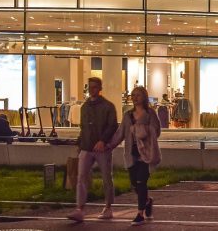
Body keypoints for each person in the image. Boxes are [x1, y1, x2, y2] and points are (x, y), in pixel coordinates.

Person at [105, 85, 161, 226]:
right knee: (134, 184)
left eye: (138, 95)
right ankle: (147, 201)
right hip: (131, 153)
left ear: (144, 97)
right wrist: (110, 145)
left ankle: (139, 214)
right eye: (133, 95)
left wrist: (142, 129)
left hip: (146, 154)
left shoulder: (150, 114)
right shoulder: (128, 115)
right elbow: (120, 133)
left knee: (142, 182)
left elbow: (157, 130)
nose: (135, 98)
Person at [67, 77, 118, 223]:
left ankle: (108, 207)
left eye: (95, 87)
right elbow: (84, 127)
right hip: (87, 146)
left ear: (100, 88)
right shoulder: (85, 107)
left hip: (102, 148)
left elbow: (112, 125)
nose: (92, 90)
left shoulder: (108, 106)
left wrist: (103, 140)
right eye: (90, 87)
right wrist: (80, 143)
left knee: (106, 177)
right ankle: (80, 208)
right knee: (81, 177)